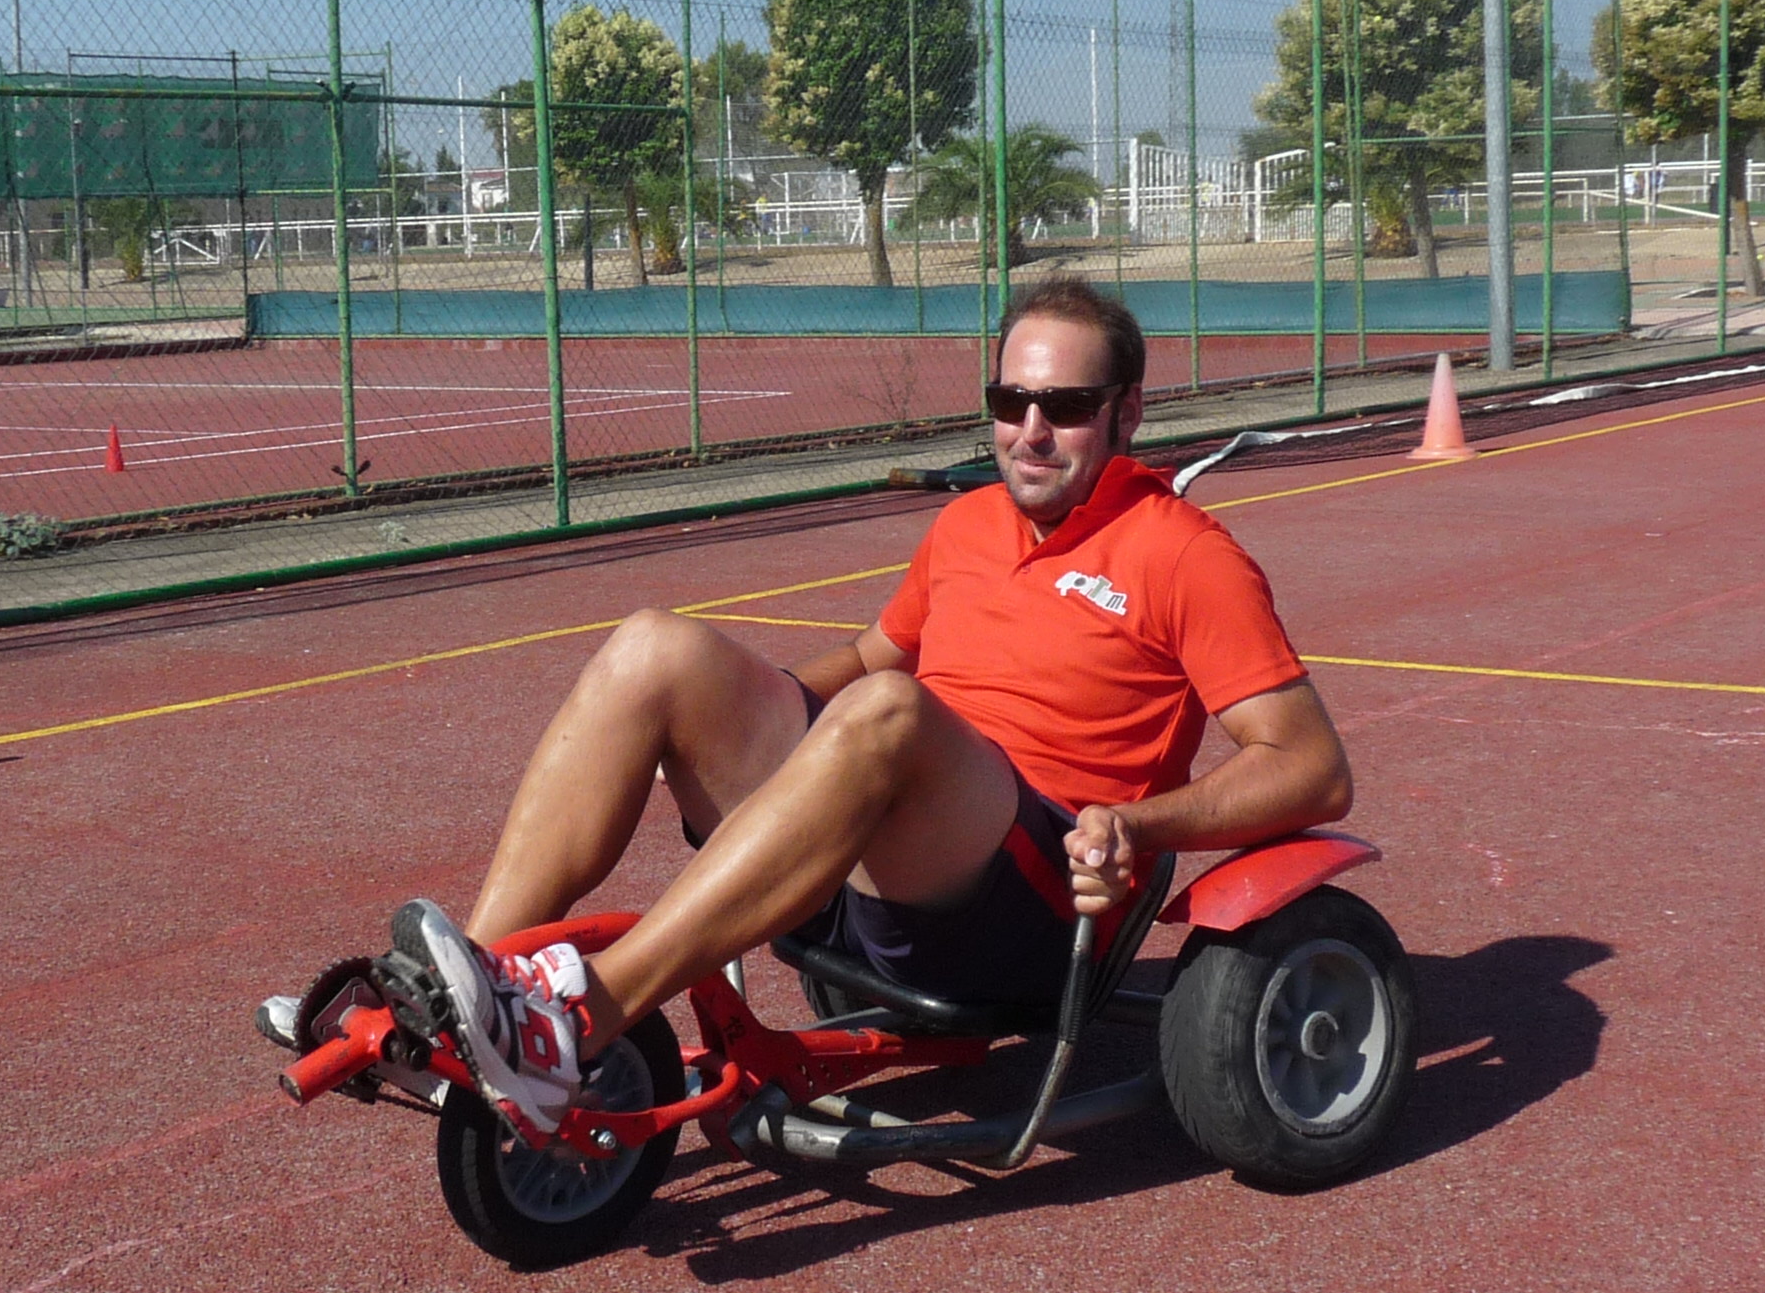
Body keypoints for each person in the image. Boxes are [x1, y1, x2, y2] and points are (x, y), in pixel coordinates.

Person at [308, 276, 1352, 1138]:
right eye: (1011, 400)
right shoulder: (970, 524)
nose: (1032, 432)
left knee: (889, 713)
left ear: (1126, 412)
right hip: (878, 847)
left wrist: (1138, 825)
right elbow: (866, 656)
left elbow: (1311, 767)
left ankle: (580, 1021)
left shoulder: (1184, 556)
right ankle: (465, 1004)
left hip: (1029, 905)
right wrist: (745, 727)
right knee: (655, 646)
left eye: (1068, 407)